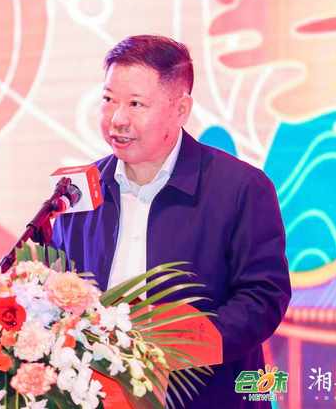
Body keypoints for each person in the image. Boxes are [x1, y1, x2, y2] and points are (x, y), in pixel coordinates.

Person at [52, 35, 291, 408]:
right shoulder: (78, 191)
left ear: (180, 109)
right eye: (108, 100)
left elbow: (263, 297)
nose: (117, 119)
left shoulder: (240, 188)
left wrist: (177, 348)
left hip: (207, 396)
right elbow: (53, 288)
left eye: (135, 104)